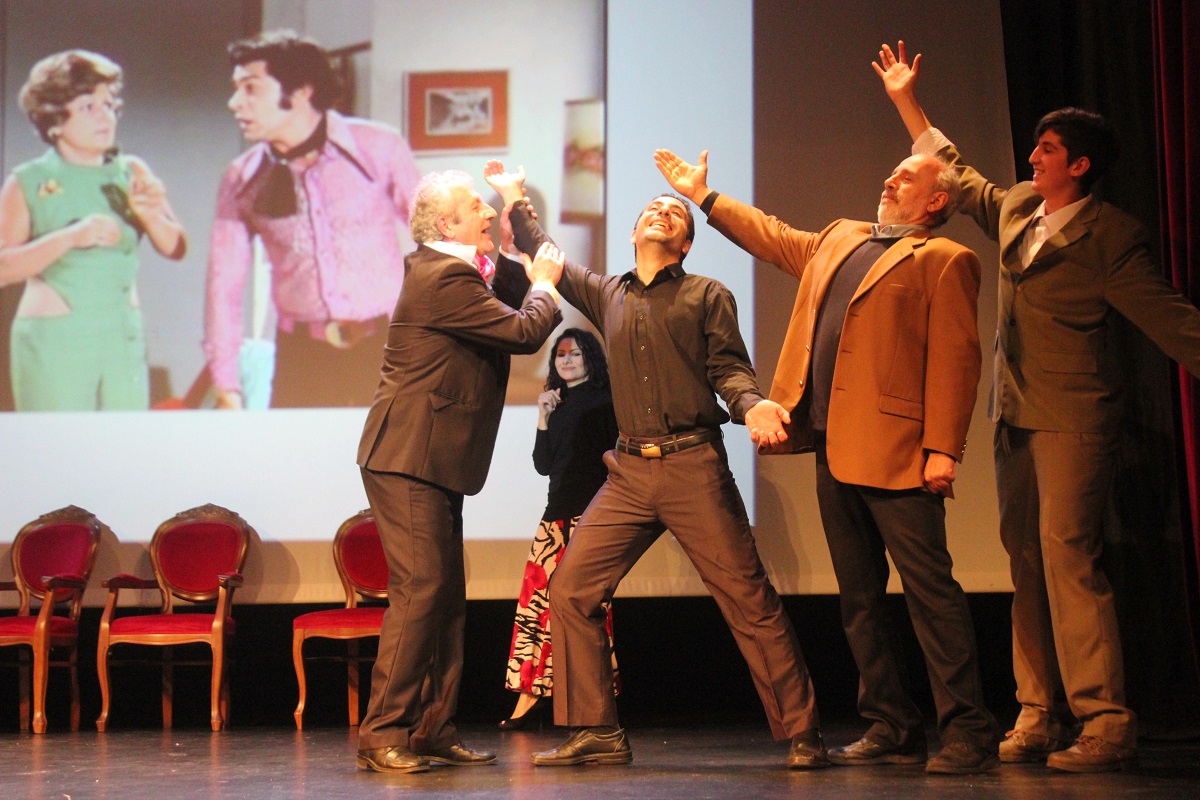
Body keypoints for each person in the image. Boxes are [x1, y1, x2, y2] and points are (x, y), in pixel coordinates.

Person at [875, 41, 1200, 773]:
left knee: (1067, 559)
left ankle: (1106, 722)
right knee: (1025, 561)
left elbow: (1170, 318)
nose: (1033, 158)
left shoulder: (1111, 236)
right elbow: (957, 172)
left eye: (1047, 150)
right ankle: (1037, 713)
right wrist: (907, 101)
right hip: (1015, 413)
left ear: (1079, 165)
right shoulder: (1021, 207)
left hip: (1075, 418)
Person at [656, 144, 1001, 774]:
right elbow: (773, 238)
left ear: (937, 200)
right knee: (859, 598)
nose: (891, 178)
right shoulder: (842, 236)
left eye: (908, 176)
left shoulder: (946, 258)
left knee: (931, 595)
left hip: (900, 451)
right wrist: (703, 196)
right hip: (834, 445)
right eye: (892, 170)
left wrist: (942, 450)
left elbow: (957, 360)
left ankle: (968, 731)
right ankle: (892, 724)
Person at [486, 162, 827, 771]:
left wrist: (751, 406)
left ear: (686, 244)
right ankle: (597, 729)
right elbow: (545, 253)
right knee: (571, 589)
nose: (662, 212)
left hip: (692, 464)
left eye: (675, 213)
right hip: (628, 471)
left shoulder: (706, 295)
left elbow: (729, 369)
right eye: (653, 208)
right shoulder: (607, 293)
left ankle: (803, 731)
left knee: (748, 600)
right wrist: (514, 194)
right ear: (634, 232)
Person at [354, 168, 563, 774]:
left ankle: (432, 728)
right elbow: (524, 330)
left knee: (444, 600)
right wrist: (544, 286)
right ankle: (382, 734)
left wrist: (516, 216)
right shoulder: (441, 276)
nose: (486, 210)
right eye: (477, 205)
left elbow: (509, 285)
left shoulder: (458, 272)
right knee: (421, 591)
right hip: (408, 456)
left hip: (432, 457)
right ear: (447, 224)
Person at [206, 30, 421, 409]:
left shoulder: (379, 149)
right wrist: (227, 384)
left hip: (388, 348)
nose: (234, 103)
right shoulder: (241, 179)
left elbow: (438, 240)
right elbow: (224, 285)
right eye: (235, 89)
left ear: (302, 91)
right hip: (302, 358)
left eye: (251, 88)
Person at [0, 49, 186, 411]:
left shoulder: (132, 171)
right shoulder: (27, 181)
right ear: (54, 120)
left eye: (109, 104)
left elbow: (176, 247)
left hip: (122, 339)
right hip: (56, 341)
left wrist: (151, 216)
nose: (105, 116)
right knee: (58, 444)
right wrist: (69, 237)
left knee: (124, 443)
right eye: (88, 106)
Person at [502, 327, 621, 730]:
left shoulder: (606, 401)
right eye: (560, 355)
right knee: (535, 608)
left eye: (575, 354)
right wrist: (543, 416)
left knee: (585, 609)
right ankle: (530, 694)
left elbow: (615, 461)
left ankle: (590, 702)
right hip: (554, 517)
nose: (567, 360)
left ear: (590, 358)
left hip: (590, 519)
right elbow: (543, 465)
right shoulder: (557, 402)